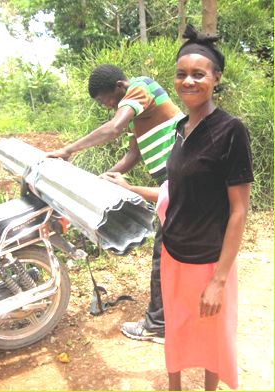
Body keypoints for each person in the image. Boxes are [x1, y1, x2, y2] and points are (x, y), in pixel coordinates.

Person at [100, 24, 253, 391]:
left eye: (198, 74)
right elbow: (173, 191)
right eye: (181, 74)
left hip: (209, 260)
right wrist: (129, 186)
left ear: (216, 78)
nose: (188, 81)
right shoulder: (180, 128)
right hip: (173, 253)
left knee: (212, 335)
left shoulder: (231, 131)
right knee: (177, 330)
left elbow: (239, 210)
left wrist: (219, 280)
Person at [44, 64, 185, 343]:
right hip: (171, 180)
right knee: (175, 250)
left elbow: (113, 129)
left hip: (180, 176)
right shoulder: (136, 114)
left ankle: (157, 325)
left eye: (106, 100)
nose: (108, 107)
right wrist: (108, 177)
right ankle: (184, 310)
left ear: (120, 87)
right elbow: (133, 155)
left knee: (164, 254)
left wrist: (69, 149)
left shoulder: (141, 87)